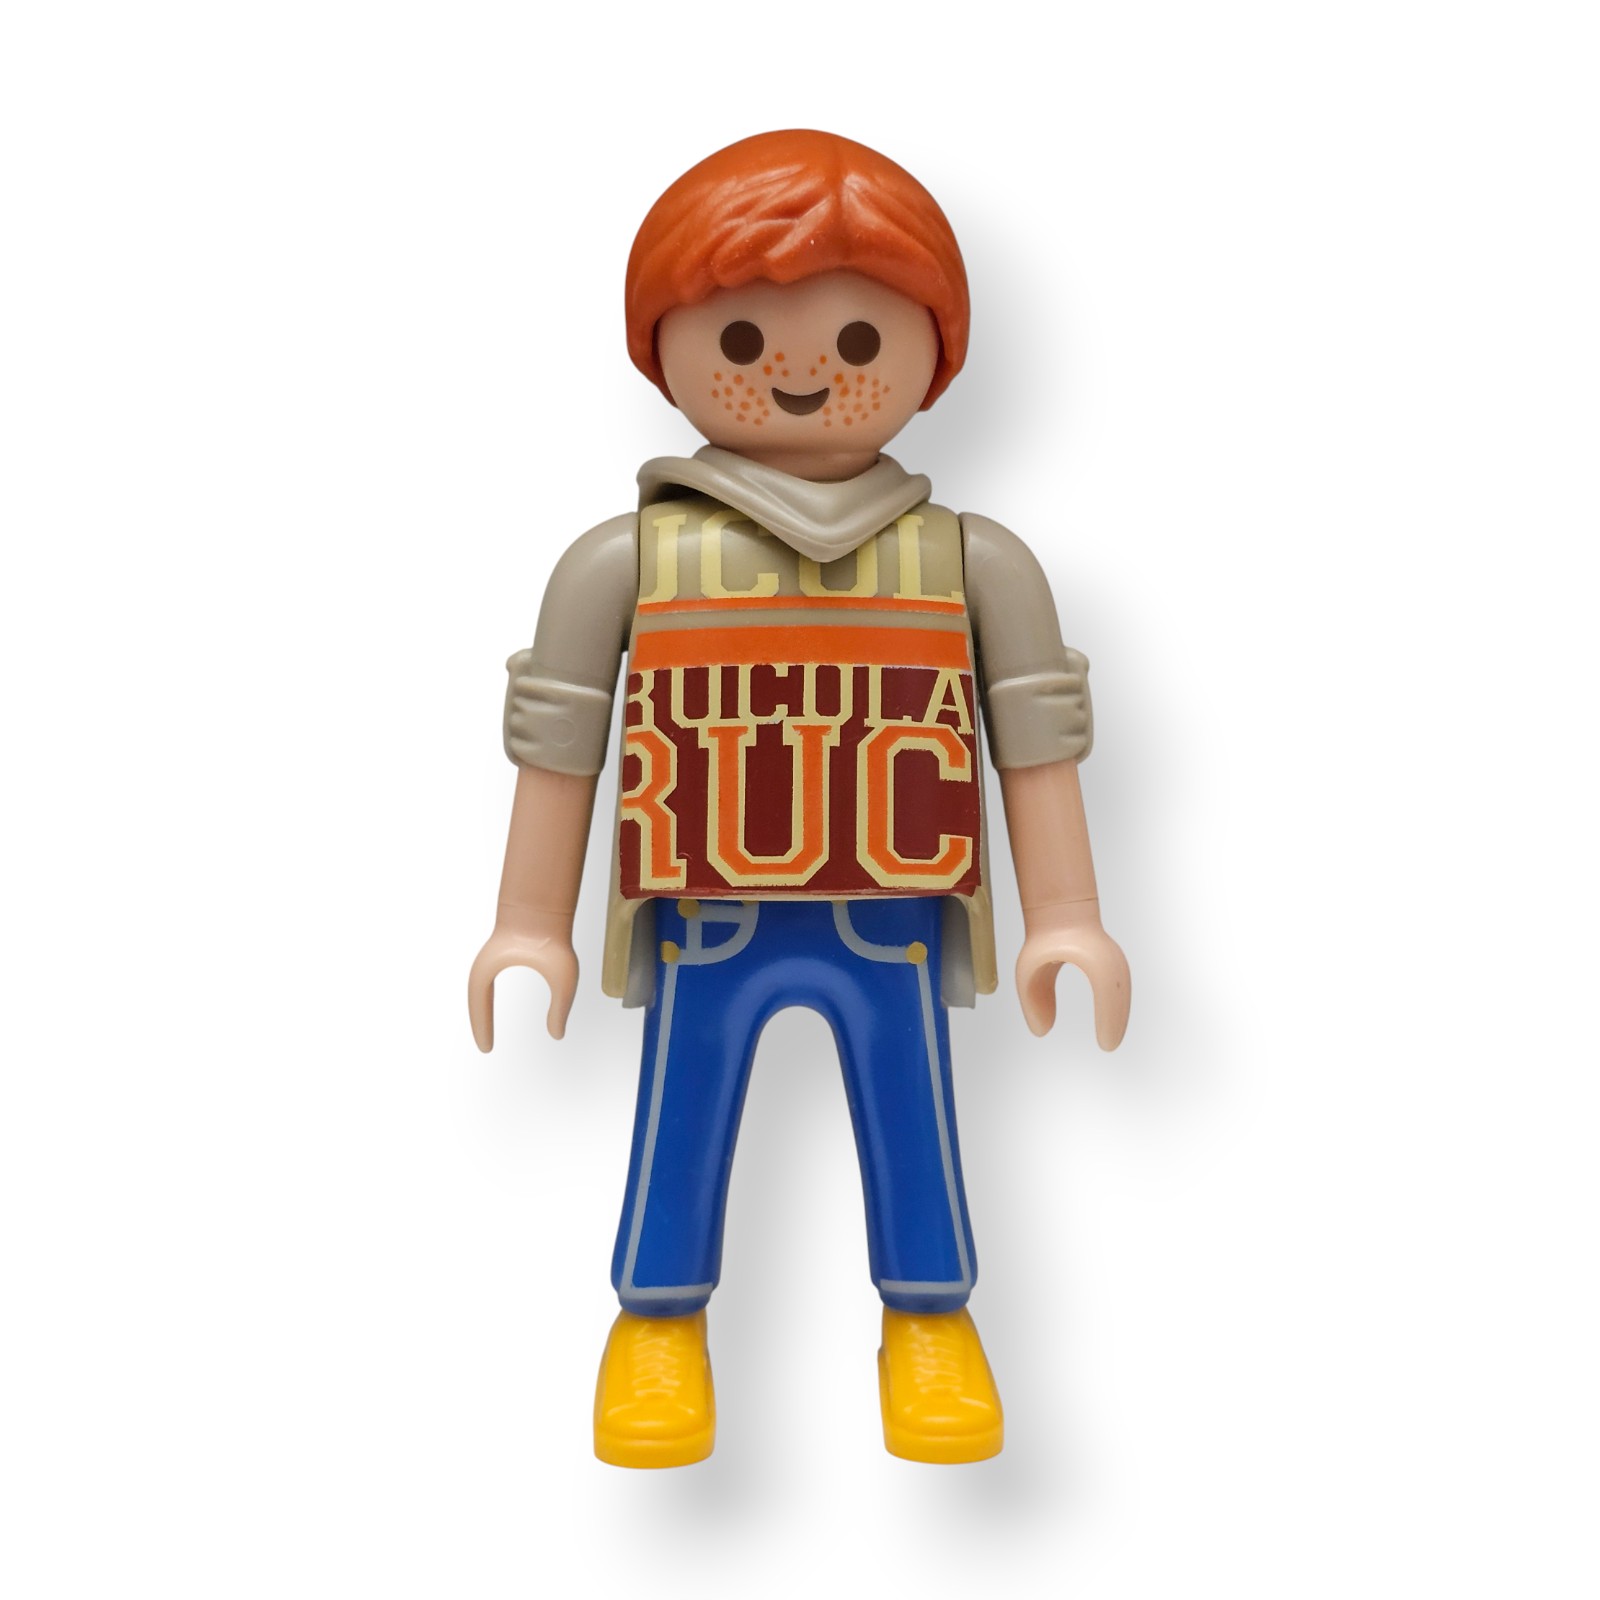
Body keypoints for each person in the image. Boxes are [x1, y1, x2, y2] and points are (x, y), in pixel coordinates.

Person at [468, 129, 1130, 1467]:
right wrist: (527, 923)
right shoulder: (625, 562)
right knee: (682, 1110)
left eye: (861, 341)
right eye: (741, 338)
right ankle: (657, 1327)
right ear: (659, 347)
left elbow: (1032, 736)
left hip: (891, 908)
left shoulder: (969, 560)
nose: (804, 373)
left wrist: (1068, 914)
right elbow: (563, 741)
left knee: (914, 1110)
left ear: (937, 355)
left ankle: (932, 1322)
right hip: (706, 907)